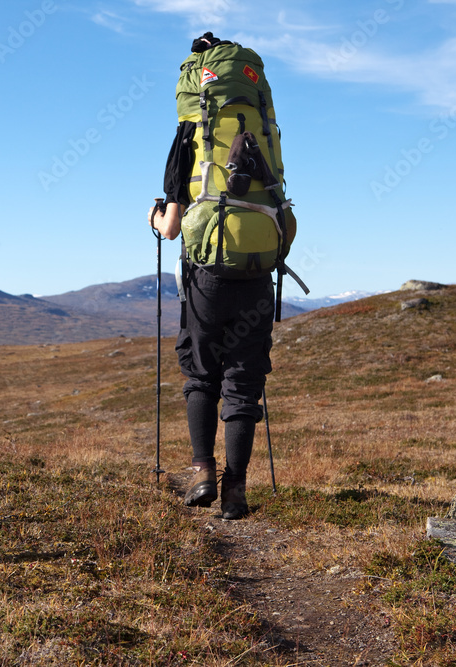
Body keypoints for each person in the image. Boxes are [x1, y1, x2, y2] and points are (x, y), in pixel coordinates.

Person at [148, 35, 275, 519]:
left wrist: (156, 220)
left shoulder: (190, 139)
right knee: (245, 379)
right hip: (260, 271)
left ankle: (203, 473)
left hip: (207, 278)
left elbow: (174, 225)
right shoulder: (262, 132)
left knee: (201, 374)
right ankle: (236, 490)